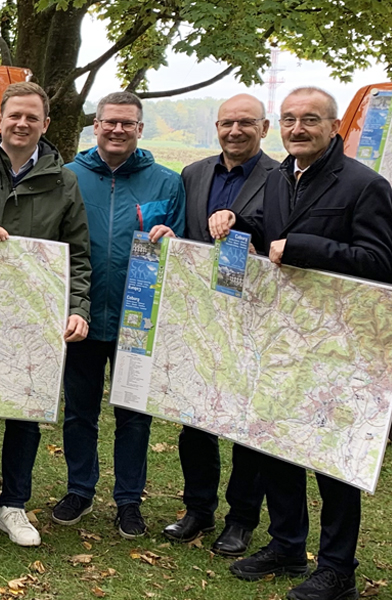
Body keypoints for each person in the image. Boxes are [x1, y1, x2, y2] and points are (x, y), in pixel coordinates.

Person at [211, 87, 392, 600]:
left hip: (339, 347)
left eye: (310, 119)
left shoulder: (365, 185)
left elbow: (381, 262)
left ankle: (337, 570)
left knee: (333, 460)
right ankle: (287, 544)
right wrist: (236, 222)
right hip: (283, 340)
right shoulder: (278, 178)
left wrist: (304, 248)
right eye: (289, 119)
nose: (297, 128)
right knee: (278, 446)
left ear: (334, 127)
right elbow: (270, 232)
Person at [0, 82, 91, 547]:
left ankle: (13, 505)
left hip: (33, 320)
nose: (21, 124)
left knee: (24, 412)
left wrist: (78, 308)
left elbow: (77, 254)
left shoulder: (64, 181)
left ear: (45, 124)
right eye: (14, 115)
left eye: (31, 117)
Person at [53, 91, 185, 539]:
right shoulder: (68, 176)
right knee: (79, 411)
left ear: (140, 129)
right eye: (110, 121)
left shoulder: (166, 182)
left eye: (127, 123)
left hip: (138, 320)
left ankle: (129, 500)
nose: (117, 129)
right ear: (96, 125)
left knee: (133, 414)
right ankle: (79, 490)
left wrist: (174, 241)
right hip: (84, 313)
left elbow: (184, 247)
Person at [161, 94, 277, 554]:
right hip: (202, 317)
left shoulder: (280, 178)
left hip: (253, 318)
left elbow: (279, 238)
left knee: (246, 425)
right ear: (216, 127)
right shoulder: (193, 173)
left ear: (263, 128)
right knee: (195, 420)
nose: (235, 131)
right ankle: (198, 509)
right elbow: (189, 238)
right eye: (227, 122)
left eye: (246, 123)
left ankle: (242, 519)